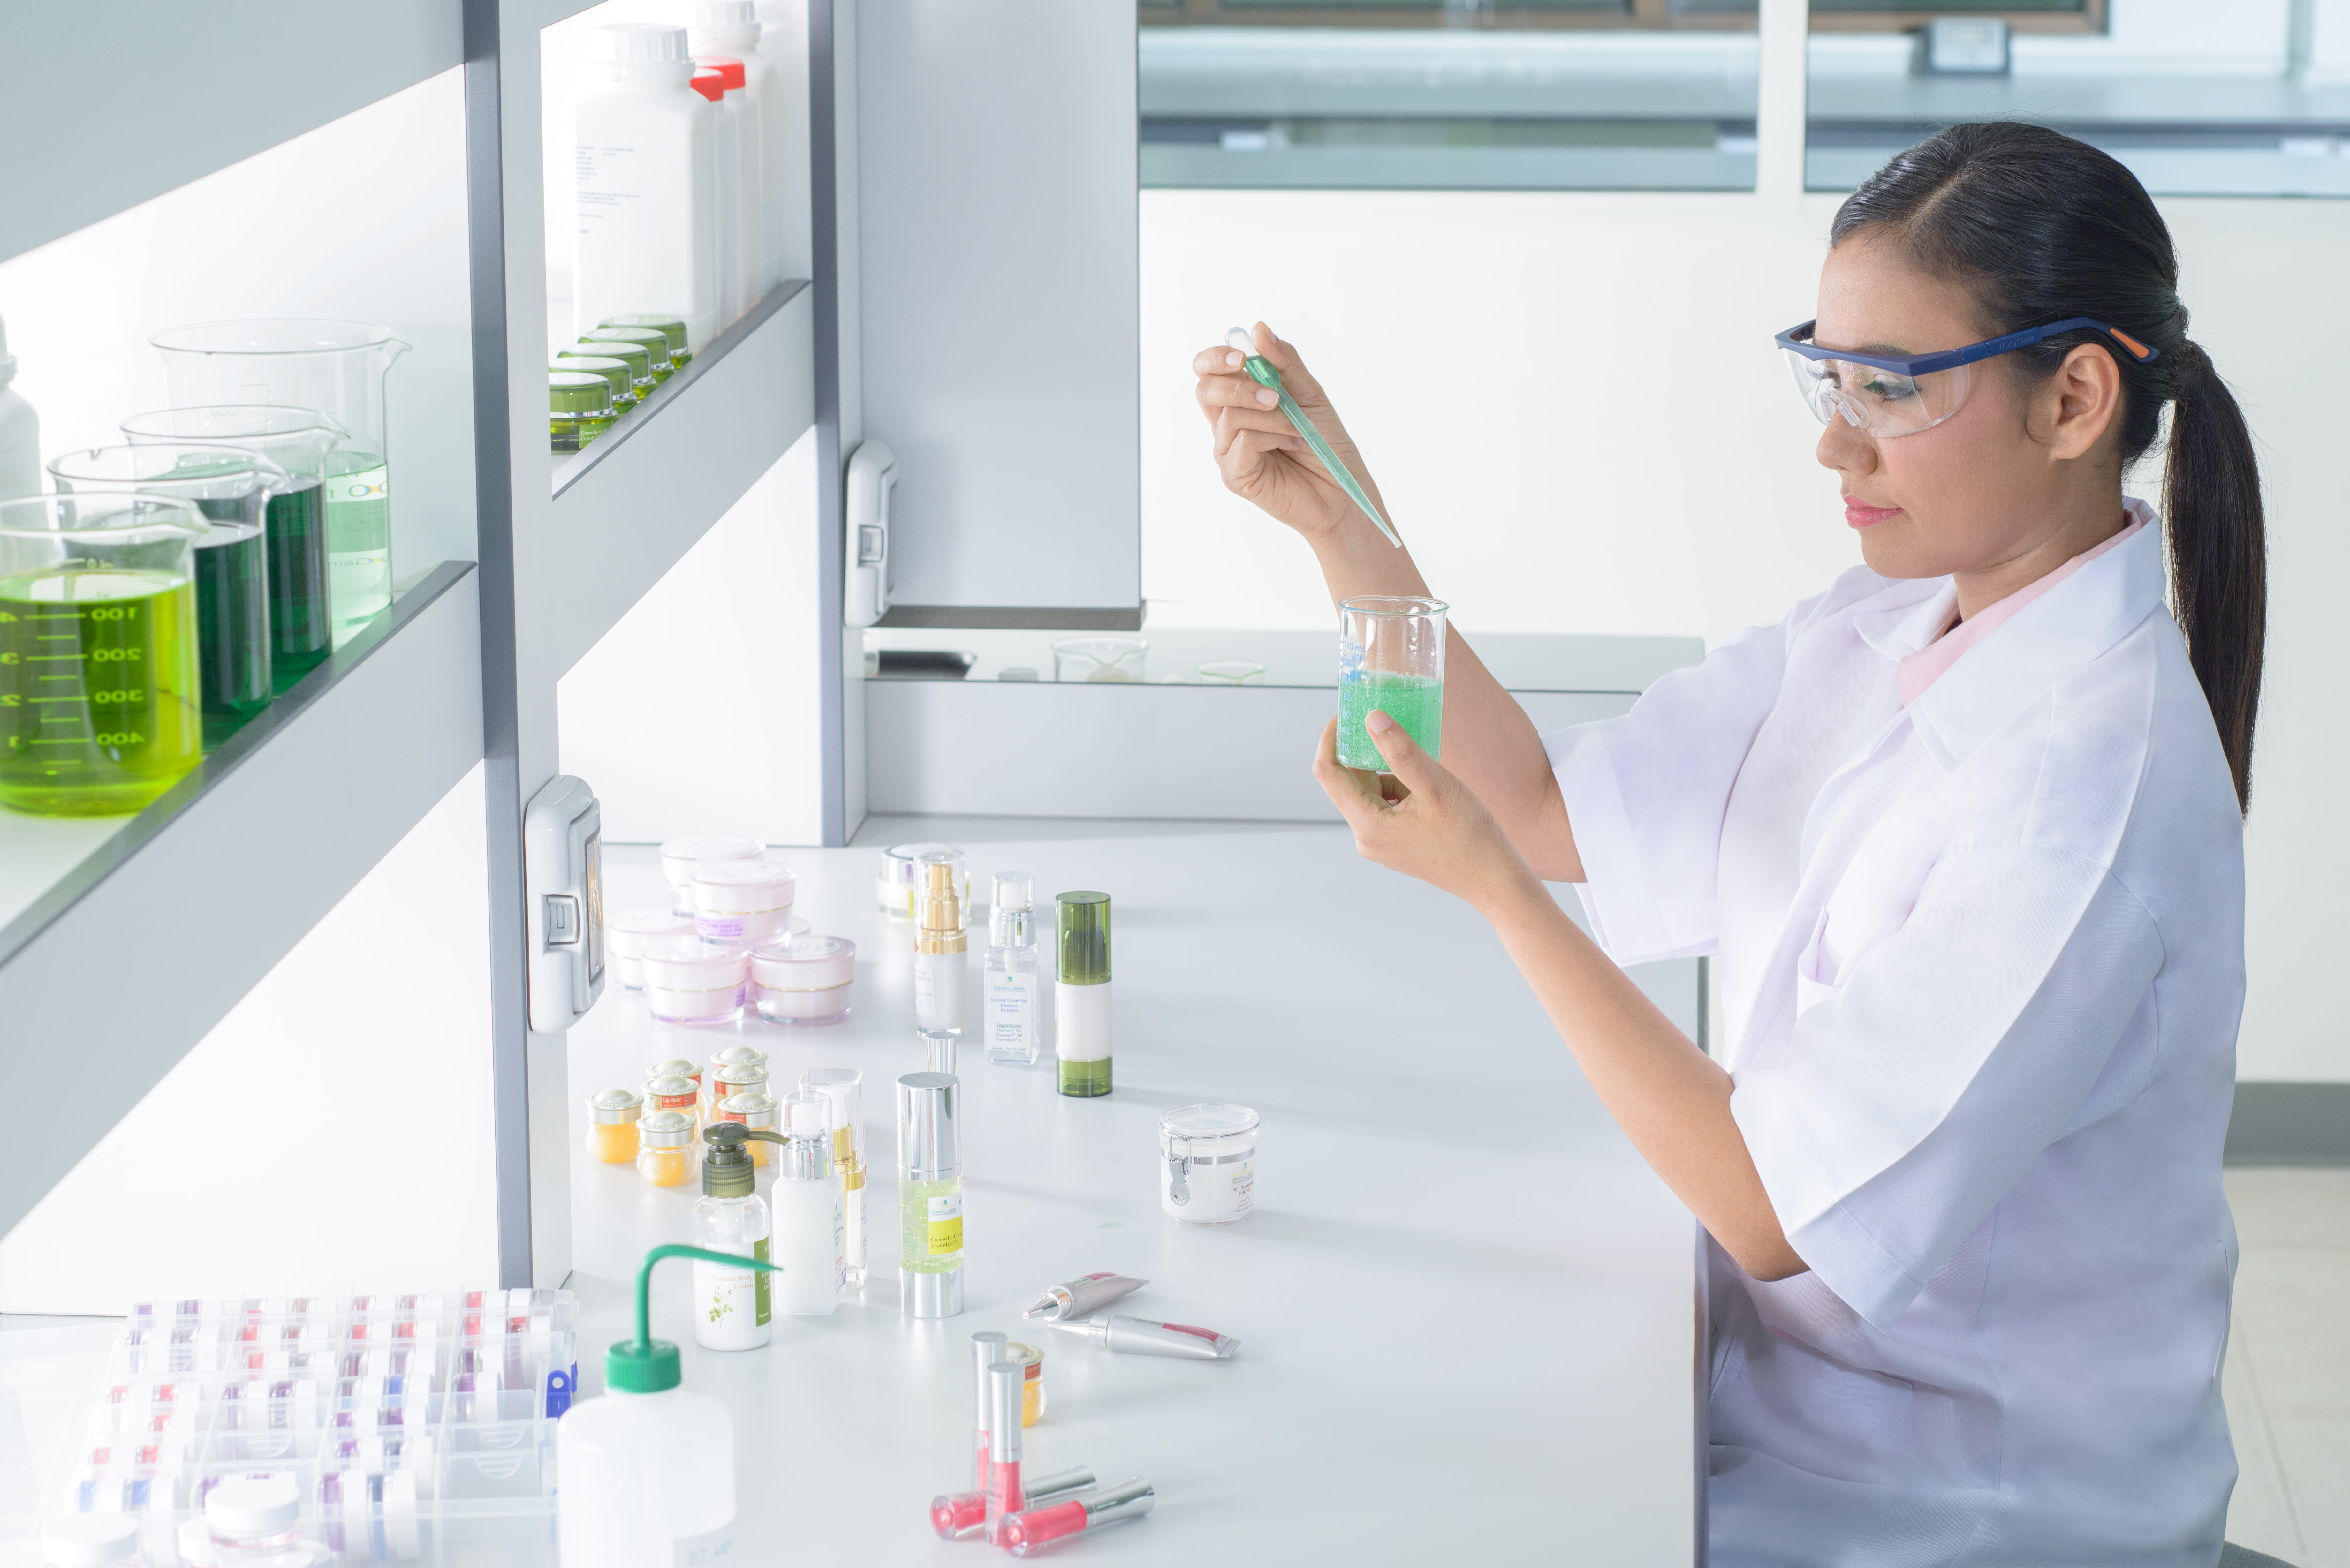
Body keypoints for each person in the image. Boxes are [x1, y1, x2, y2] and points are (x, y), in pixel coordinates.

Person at [1194, 122, 2267, 1566]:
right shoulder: (1886, 621)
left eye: (1887, 388)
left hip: (1967, 1515)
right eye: (1827, 376)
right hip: (1783, 1420)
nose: (1835, 440)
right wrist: (1344, 521)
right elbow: (1550, 811)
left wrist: (1502, 905)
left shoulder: (2088, 793)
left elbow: (1775, 1211)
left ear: (2073, 398)